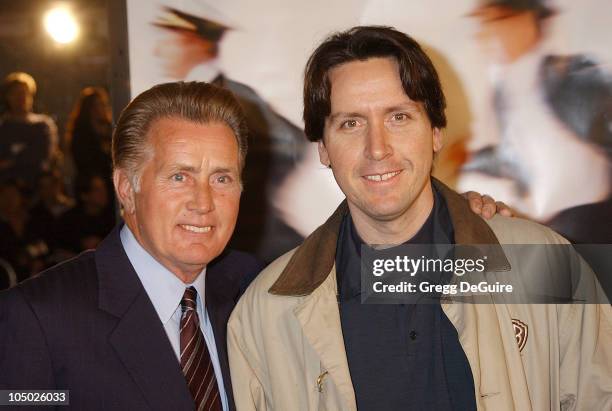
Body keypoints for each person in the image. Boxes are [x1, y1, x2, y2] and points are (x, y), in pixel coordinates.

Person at [227, 26, 612, 410]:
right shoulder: (264, 313)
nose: (377, 149)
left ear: (435, 131)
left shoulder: (543, 264)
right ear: (324, 148)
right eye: (351, 123)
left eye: (398, 117)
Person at [0, 82, 263, 411]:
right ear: (126, 188)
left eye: (221, 178)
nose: (204, 202)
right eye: (180, 177)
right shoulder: (38, 318)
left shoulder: (252, 290)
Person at [152, 1, 308, 262]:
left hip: (253, 255)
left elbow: (292, 142)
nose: (159, 50)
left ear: (195, 41)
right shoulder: (218, 97)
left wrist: (251, 201)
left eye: (171, 38)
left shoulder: (233, 101)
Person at [461, 0, 612, 243]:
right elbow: (517, 156)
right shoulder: (502, 94)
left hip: (594, 220)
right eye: (485, 22)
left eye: (499, 20)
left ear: (529, 21)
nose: (487, 32)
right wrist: (469, 161)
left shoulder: (574, 72)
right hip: (553, 226)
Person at [0, 72, 59, 194]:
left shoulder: (43, 125)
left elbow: (42, 154)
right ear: (7, 96)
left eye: (24, 93)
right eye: (16, 93)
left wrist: (11, 162)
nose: (21, 97)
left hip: (38, 190)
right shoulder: (2, 127)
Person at [66, 87, 113, 183]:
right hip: (90, 186)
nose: (103, 108)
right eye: (98, 105)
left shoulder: (111, 132)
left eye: (103, 104)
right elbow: (84, 163)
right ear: (90, 108)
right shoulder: (80, 136)